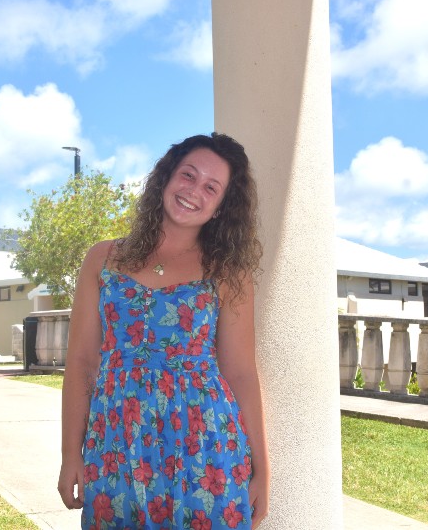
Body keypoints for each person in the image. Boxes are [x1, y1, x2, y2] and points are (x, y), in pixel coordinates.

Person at [58, 133, 270, 529]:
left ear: (222, 207)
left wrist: (262, 470)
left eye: (211, 187)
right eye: (188, 175)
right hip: (117, 443)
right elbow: (82, 363)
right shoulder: (103, 259)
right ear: (166, 177)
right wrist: (71, 453)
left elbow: (241, 372)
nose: (194, 191)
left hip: (206, 449)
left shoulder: (228, 272)